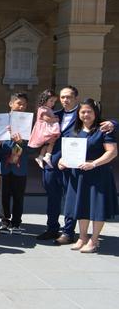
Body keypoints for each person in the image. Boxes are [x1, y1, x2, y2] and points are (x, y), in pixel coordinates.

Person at [37, 86, 115, 245]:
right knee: (53, 195)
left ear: (76, 98)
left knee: (72, 198)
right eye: (62, 97)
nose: (65, 100)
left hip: (75, 165)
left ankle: (68, 232)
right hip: (55, 163)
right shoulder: (54, 115)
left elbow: (107, 124)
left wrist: (114, 123)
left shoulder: (84, 115)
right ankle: (52, 228)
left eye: (69, 97)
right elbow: (39, 132)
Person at [60, 99, 117, 253]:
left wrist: (94, 163)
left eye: (89, 112)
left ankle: (94, 239)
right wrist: (62, 160)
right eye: (82, 112)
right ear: (78, 114)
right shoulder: (75, 130)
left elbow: (112, 152)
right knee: (82, 207)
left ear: (95, 113)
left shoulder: (104, 129)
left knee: (97, 208)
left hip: (98, 174)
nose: (86, 115)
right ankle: (82, 237)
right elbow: (66, 151)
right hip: (79, 175)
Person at [0, 93, 30, 234]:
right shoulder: (1, 120)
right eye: (18, 103)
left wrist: (21, 143)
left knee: (18, 196)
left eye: (23, 104)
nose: (21, 107)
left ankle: (16, 223)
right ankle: (4, 221)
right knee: (3, 195)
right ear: (11, 104)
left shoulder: (28, 122)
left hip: (20, 165)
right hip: (4, 164)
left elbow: (32, 146)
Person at [29, 89, 61, 169]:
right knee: (52, 140)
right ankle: (47, 155)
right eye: (51, 101)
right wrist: (56, 119)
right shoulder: (43, 109)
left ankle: (41, 156)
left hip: (47, 128)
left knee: (48, 143)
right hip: (44, 129)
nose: (53, 103)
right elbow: (47, 119)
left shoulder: (47, 109)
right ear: (44, 100)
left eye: (54, 102)